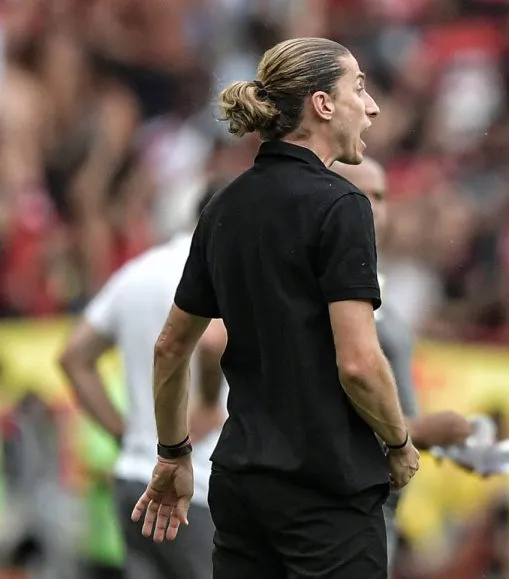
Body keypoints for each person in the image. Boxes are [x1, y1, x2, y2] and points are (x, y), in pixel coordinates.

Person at [130, 37, 419, 579]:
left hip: (240, 484)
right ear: (322, 104)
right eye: (358, 88)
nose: (373, 106)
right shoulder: (343, 205)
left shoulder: (224, 205)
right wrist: (399, 441)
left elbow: (171, 345)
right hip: (326, 485)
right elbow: (357, 363)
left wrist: (173, 454)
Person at [59, 183, 227, 579]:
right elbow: (213, 344)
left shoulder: (139, 270)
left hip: (134, 477)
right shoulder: (223, 267)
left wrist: (126, 433)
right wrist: (204, 406)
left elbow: (74, 357)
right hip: (197, 487)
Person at [330, 158, 474, 573]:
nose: (374, 208)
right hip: (341, 505)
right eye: (362, 194)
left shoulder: (372, 280)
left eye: (381, 197)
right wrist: (417, 434)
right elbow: (343, 389)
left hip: (374, 506)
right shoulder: (326, 284)